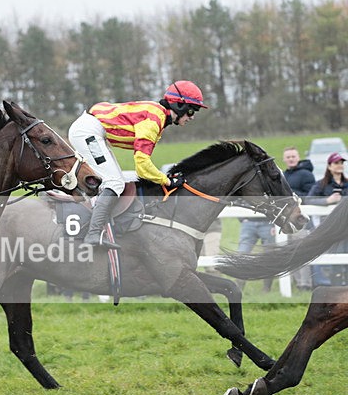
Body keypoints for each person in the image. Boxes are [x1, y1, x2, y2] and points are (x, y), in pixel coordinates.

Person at [68, 80, 208, 249]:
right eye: (191, 110)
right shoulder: (154, 119)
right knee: (115, 183)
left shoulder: (157, 115)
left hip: (92, 130)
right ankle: (93, 234)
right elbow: (142, 166)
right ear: (179, 105)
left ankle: (98, 225)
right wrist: (167, 181)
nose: (192, 116)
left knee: (115, 181)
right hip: (88, 131)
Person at [306, 152, 348, 286]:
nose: (340, 166)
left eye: (341, 163)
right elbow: (308, 199)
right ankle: (336, 289)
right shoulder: (321, 185)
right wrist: (327, 200)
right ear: (329, 166)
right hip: (333, 228)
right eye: (336, 163)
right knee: (336, 258)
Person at [282, 146, 315, 290]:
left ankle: (306, 284)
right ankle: (297, 283)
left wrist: (293, 197)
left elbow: (310, 196)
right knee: (289, 254)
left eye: (293, 156)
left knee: (301, 252)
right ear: (284, 159)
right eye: (288, 157)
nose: (290, 159)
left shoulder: (306, 174)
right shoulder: (283, 176)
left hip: (302, 220)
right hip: (287, 221)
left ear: (298, 157)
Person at [236, 217, 276, 292]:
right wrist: (242, 218)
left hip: (268, 223)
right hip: (249, 223)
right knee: (241, 256)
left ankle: (266, 290)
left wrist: (276, 224)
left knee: (269, 257)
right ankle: (238, 289)